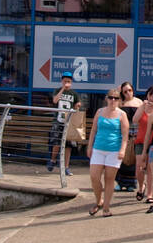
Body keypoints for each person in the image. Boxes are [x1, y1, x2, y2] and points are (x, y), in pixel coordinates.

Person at [86, 88, 129, 216]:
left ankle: (106, 207)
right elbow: (93, 130)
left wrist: (122, 150)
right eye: (110, 98)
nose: (113, 100)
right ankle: (99, 201)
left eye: (116, 98)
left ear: (119, 101)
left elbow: (125, 135)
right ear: (106, 98)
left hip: (114, 151)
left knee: (109, 179)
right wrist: (89, 147)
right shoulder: (99, 112)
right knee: (94, 177)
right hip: (98, 148)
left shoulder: (122, 115)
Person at [48, 73, 79, 172]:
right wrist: (62, 89)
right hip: (58, 120)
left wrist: (77, 105)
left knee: (68, 145)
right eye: (65, 81)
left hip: (68, 121)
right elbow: (55, 101)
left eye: (69, 81)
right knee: (56, 143)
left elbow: (77, 106)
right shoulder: (57, 91)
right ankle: (53, 160)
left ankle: (66, 167)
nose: (67, 83)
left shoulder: (74, 94)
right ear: (62, 81)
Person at [116, 81, 143, 191]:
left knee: (132, 159)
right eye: (125, 91)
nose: (128, 93)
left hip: (135, 133)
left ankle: (132, 183)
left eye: (130, 90)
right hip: (122, 134)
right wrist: (117, 93)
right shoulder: (120, 102)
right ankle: (120, 182)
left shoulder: (139, 102)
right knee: (121, 159)